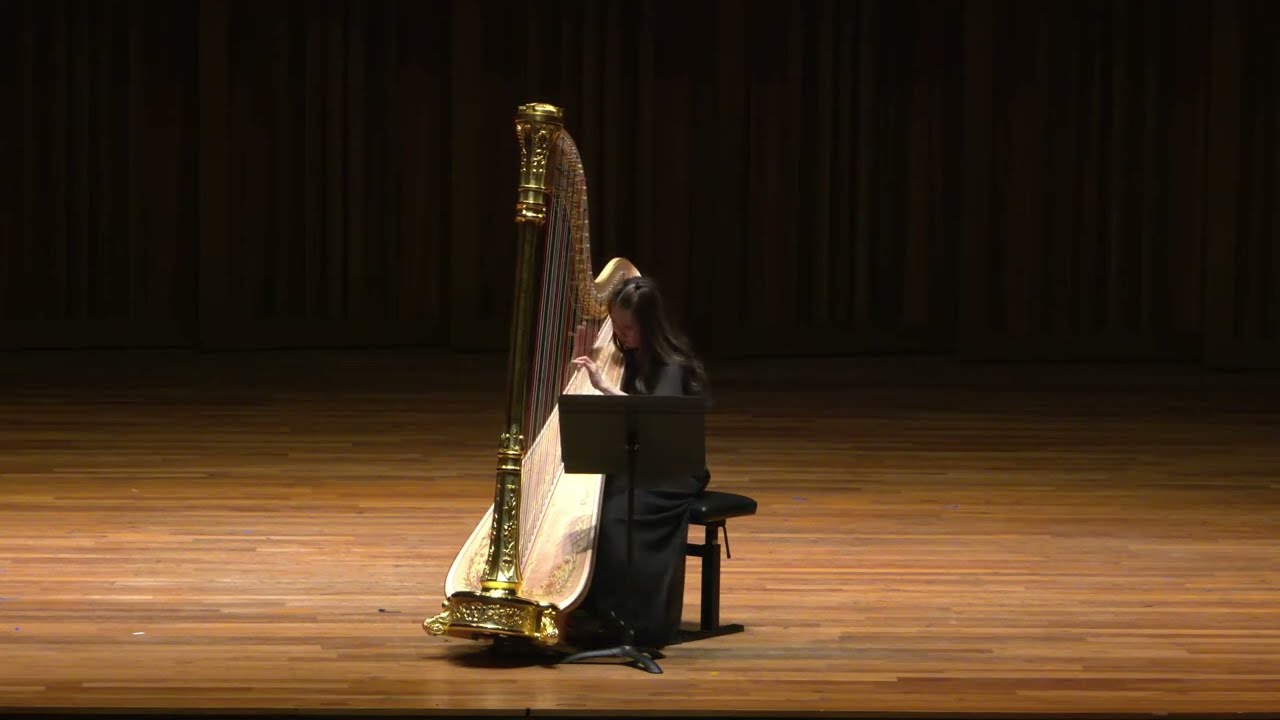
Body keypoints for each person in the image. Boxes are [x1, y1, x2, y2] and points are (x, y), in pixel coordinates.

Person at [566, 275, 711, 649]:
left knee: (615, 518)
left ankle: (636, 622)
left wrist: (607, 389)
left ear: (649, 325)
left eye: (629, 328)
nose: (622, 335)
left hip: (671, 473)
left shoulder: (672, 366)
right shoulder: (627, 356)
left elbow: (651, 422)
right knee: (596, 513)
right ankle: (595, 610)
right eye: (617, 327)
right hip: (638, 466)